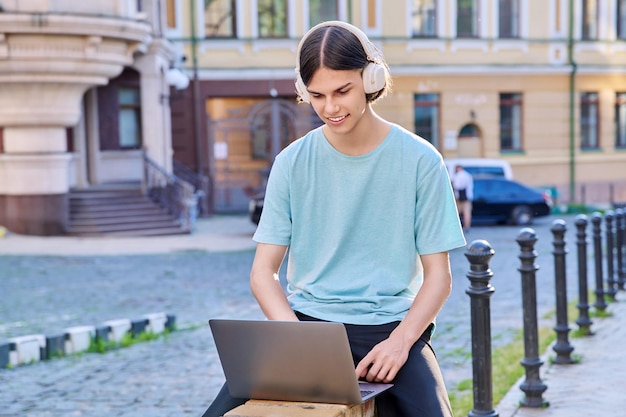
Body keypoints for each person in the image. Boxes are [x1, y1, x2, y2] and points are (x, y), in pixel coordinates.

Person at [202, 20, 466, 417]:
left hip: (391, 329)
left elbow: (439, 277)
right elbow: (263, 273)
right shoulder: (290, 163)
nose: (330, 108)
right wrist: (295, 338)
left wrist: (400, 343)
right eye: (317, 95)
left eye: (342, 91)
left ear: (370, 79)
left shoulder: (421, 160)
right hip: (307, 329)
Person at [452, 165, 474, 232]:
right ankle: (467, 227)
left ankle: (456, 227)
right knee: (467, 213)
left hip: (458, 198)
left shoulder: (457, 176)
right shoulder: (468, 175)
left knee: (456, 213)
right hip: (467, 197)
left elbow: (457, 186)